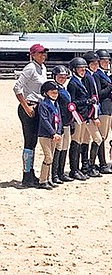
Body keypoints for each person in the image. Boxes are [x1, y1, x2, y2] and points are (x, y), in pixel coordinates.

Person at [14, 43, 49, 187]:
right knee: (29, 142)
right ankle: (26, 173)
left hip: (38, 106)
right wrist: (26, 106)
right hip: (28, 105)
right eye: (40, 53)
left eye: (44, 53)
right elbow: (17, 87)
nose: (43, 55)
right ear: (33, 55)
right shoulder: (30, 68)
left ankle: (30, 172)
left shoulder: (43, 68)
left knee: (34, 141)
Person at [67, 56, 103, 179]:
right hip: (77, 116)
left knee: (84, 141)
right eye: (80, 68)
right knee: (76, 142)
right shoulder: (72, 83)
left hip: (86, 116)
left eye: (83, 68)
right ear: (74, 70)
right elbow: (72, 103)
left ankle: (85, 166)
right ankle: (74, 169)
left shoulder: (83, 80)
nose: (83, 70)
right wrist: (87, 102)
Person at [88, 50, 112, 174]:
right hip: (103, 108)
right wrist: (111, 87)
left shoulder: (104, 74)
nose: (106, 62)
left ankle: (102, 163)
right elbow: (99, 93)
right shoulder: (97, 75)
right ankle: (100, 164)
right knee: (101, 137)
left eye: (108, 61)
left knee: (103, 137)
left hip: (109, 108)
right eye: (104, 60)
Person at [35, 81, 63, 190]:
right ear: (46, 93)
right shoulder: (43, 105)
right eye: (52, 92)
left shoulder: (56, 104)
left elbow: (59, 119)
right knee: (48, 157)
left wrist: (59, 132)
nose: (55, 95)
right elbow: (44, 120)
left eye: (56, 93)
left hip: (55, 135)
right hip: (45, 135)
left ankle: (48, 179)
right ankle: (42, 180)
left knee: (51, 156)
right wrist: (53, 132)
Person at [52, 65, 74, 183]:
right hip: (59, 122)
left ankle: (61, 172)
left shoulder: (64, 89)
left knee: (65, 146)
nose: (62, 78)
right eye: (60, 76)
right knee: (58, 147)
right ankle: (54, 174)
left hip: (67, 121)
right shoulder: (54, 90)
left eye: (64, 77)